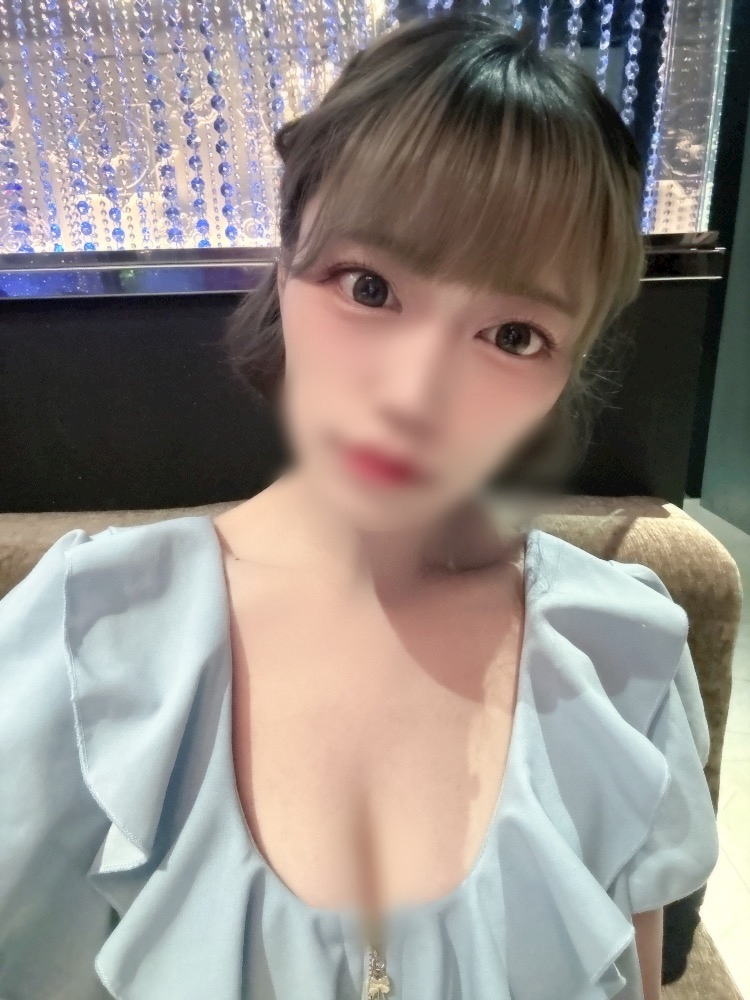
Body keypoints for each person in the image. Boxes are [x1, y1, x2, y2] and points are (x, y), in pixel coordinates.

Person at [0, 11, 719, 1000]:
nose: (415, 396)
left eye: (513, 335)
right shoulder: (87, 646)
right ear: (286, 259)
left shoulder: (617, 662)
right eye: (370, 286)